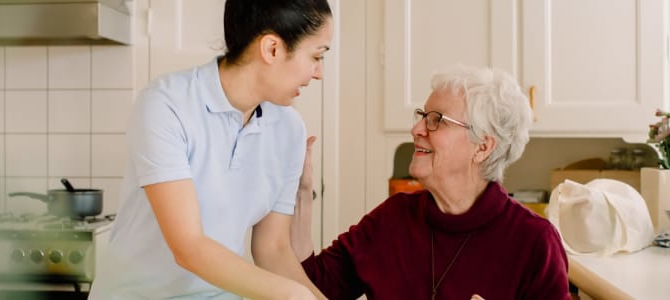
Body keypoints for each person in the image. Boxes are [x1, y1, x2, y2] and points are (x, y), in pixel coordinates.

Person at [88, 0, 332, 299]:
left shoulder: (289, 129)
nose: (319, 73)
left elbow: (273, 250)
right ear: (272, 49)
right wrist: (293, 295)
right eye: (316, 56)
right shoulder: (166, 105)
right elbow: (189, 247)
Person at [292, 64, 570, 299]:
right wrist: (302, 194)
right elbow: (313, 287)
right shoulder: (392, 219)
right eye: (422, 116)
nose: (416, 129)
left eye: (437, 120)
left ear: (482, 147)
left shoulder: (534, 242)